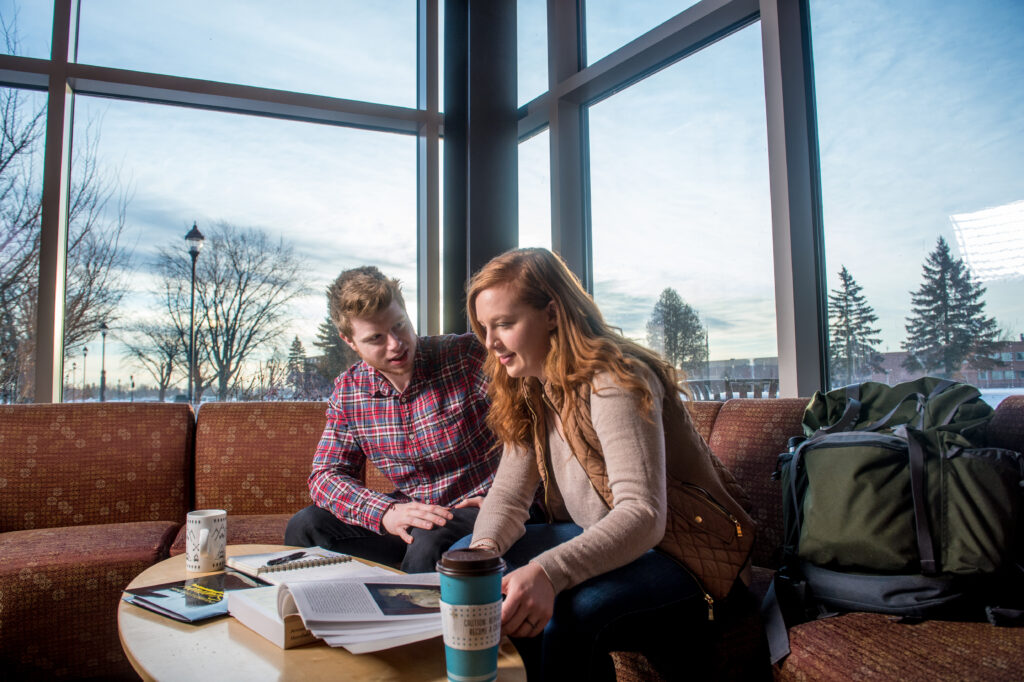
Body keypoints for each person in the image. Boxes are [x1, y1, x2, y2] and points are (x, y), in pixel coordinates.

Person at [463, 248, 756, 680]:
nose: (490, 343)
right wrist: (482, 555)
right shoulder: (530, 386)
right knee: (465, 563)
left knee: (575, 610)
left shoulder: (615, 380)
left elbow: (643, 515)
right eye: (485, 328)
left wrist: (548, 571)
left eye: (505, 324)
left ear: (551, 313)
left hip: (685, 557)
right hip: (612, 540)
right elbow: (508, 496)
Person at [285, 266, 501, 573]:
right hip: (411, 514)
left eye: (400, 325)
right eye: (376, 338)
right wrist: (386, 512)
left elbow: (534, 429)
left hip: (478, 506)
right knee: (306, 526)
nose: (395, 343)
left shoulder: (465, 357)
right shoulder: (349, 392)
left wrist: (502, 499)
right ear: (350, 341)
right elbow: (325, 476)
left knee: (429, 539)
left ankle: (411, 619)